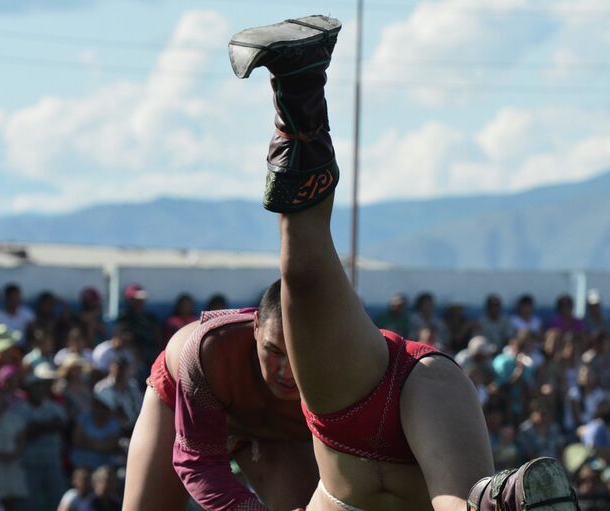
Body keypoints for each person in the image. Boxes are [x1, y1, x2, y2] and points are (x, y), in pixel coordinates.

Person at [228, 14, 576, 511]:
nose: (285, 369)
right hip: (406, 426)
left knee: (301, 271)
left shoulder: (232, 359)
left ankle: (298, 79)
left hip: (393, 393)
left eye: (285, 351)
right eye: (273, 352)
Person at [123, 281, 318, 511]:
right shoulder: (211, 350)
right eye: (274, 351)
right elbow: (199, 464)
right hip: (181, 400)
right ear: (256, 327)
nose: (286, 372)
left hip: (278, 434)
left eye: (299, 353)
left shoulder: (357, 365)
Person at [18, 365, 67, 511]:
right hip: (30, 463)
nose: (38, 390)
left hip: (52, 460)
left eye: (40, 387)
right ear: (28, 390)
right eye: (34, 387)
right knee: (30, 503)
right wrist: (48, 425)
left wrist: (38, 427)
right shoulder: (20, 409)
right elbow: (27, 432)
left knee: (57, 500)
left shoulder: (53, 407)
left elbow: (61, 424)